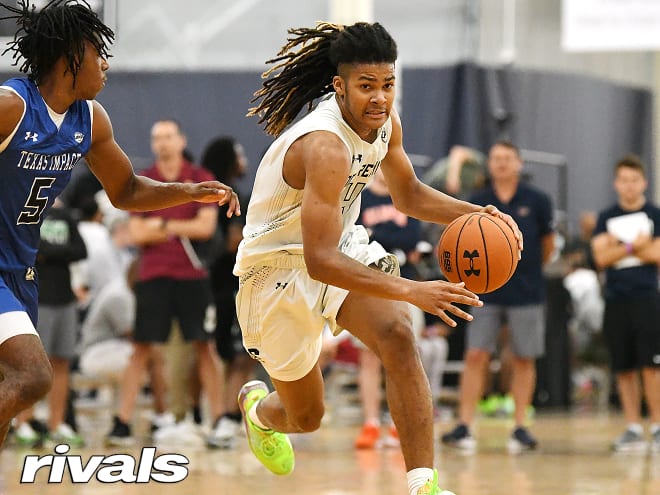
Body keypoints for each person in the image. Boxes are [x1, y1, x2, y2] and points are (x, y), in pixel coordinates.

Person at [235, 21, 521, 495]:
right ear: (339, 87)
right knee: (306, 417)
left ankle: (423, 485)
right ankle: (258, 411)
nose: (380, 98)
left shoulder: (384, 123)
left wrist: (483, 215)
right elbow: (319, 260)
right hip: (278, 272)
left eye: (388, 85)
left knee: (398, 335)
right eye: (366, 86)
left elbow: (407, 194)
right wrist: (414, 289)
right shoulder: (324, 146)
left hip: (337, 246)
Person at [0, 0, 238, 449]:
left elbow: (126, 190)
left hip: (19, 270)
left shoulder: (89, 119)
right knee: (31, 376)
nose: (106, 63)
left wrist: (186, 192)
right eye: (97, 51)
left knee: (16, 387)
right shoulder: (12, 107)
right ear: (70, 55)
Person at [105, 119, 227, 447]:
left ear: (181, 139)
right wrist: (179, 223)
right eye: (157, 137)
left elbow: (205, 227)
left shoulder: (199, 178)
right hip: (153, 276)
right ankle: (122, 422)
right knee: (142, 348)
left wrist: (163, 224)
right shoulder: (145, 182)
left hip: (192, 276)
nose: (162, 143)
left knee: (204, 346)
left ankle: (218, 419)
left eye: (168, 136)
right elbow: (137, 232)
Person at [441, 141, 555, 454]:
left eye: (507, 158)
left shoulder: (538, 200)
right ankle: (464, 425)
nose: (501, 164)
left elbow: (547, 245)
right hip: (485, 291)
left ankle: (520, 426)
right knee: (475, 354)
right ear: (489, 165)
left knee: (523, 357)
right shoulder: (478, 201)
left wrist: (520, 267)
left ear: (519, 163)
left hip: (527, 290)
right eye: (495, 158)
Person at [590, 155, 660, 454]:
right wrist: (634, 246)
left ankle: (657, 425)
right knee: (624, 365)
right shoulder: (606, 216)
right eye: (623, 180)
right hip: (616, 298)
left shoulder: (655, 214)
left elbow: (658, 253)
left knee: (651, 364)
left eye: (634, 180)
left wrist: (617, 247)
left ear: (643, 182)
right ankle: (632, 426)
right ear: (616, 183)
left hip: (647, 297)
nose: (629, 186)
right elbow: (600, 258)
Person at [13, 199, 87, 447]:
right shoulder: (25, 210)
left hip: (65, 297)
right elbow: (27, 248)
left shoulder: (65, 213)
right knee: (30, 363)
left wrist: (48, 253)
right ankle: (25, 422)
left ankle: (57, 423)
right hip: (36, 296)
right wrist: (53, 252)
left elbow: (81, 250)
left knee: (62, 362)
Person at [199, 136, 256, 448]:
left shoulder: (216, 197)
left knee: (236, 355)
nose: (243, 158)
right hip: (228, 287)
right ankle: (225, 419)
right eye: (238, 152)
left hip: (226, 286)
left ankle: (225, 417)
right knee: (234, 355)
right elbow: (234, 243)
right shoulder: (224, 199)